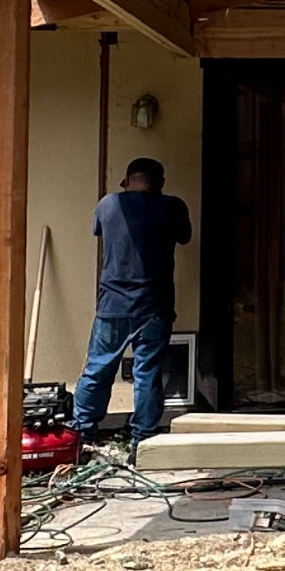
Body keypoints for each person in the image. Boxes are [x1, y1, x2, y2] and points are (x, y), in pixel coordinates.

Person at [75, 156, 191, 446]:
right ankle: (143, 439)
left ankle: (83, 434)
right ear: (160, 182)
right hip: (155, 307)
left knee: (98, 369)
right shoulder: (172, 207)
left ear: (126, 180)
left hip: (112, 305)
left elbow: (98, 230)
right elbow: (185, 236)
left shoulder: (108, 204)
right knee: (147, 374)